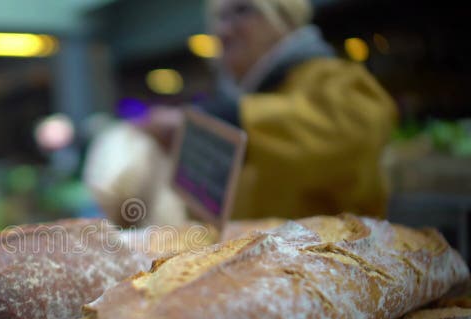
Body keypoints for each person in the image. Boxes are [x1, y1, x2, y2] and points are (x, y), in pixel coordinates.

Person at [85, 0, 397, 224]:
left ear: (285, 18)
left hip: (341, 269)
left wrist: (223, 120)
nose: (223, 30)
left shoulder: (335, 79)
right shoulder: (246, 96)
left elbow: (356, 133)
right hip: (264, 280)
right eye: (218, 18)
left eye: (242, 10)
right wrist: (183, 149)